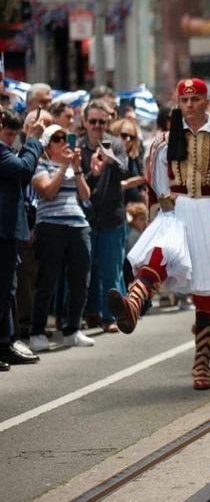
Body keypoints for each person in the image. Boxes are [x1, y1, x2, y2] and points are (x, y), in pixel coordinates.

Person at [107, 78, 210, 389]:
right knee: (160, 254)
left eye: (195, 99)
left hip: (209, 214)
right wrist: (158, 217)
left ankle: (202, 363)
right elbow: (154, 185)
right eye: (184, 100)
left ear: (206, 101)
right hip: (175, 212)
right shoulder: (163, 141)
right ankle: (133, 305)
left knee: (206, 293)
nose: (189, 105)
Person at [29, 124, 94, 351]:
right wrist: (63, 165)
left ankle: (72, 329)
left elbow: (86, 197)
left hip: (78, 225)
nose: (63, 141)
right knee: (47, 281)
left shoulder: (71, 166)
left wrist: (76, 169)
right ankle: (37, 332)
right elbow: (47, 191)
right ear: (48, 145)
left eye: (65, 137)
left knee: (80, 281)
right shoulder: (40, 164)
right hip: (51, 226)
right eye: (57, 138)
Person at [80, 99, 129, 332]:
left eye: (102, 121)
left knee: (111, 270)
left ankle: (111, 317)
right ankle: (91, 313)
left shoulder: (116, 144)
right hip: (87, 218)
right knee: (88, 269)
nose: (98, 125)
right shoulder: (78, 147)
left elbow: (124, 171)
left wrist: (110, 159)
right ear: (85, 122)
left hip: (112, 217)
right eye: (93, 121)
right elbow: (79, 184)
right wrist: (93, 172)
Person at [0, 109, 43, 370]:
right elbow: (25, 169)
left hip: (7, 231)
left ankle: (5, 343)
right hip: (2, 231)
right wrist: (33, 140)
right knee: (2, 290)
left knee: (7, 290)